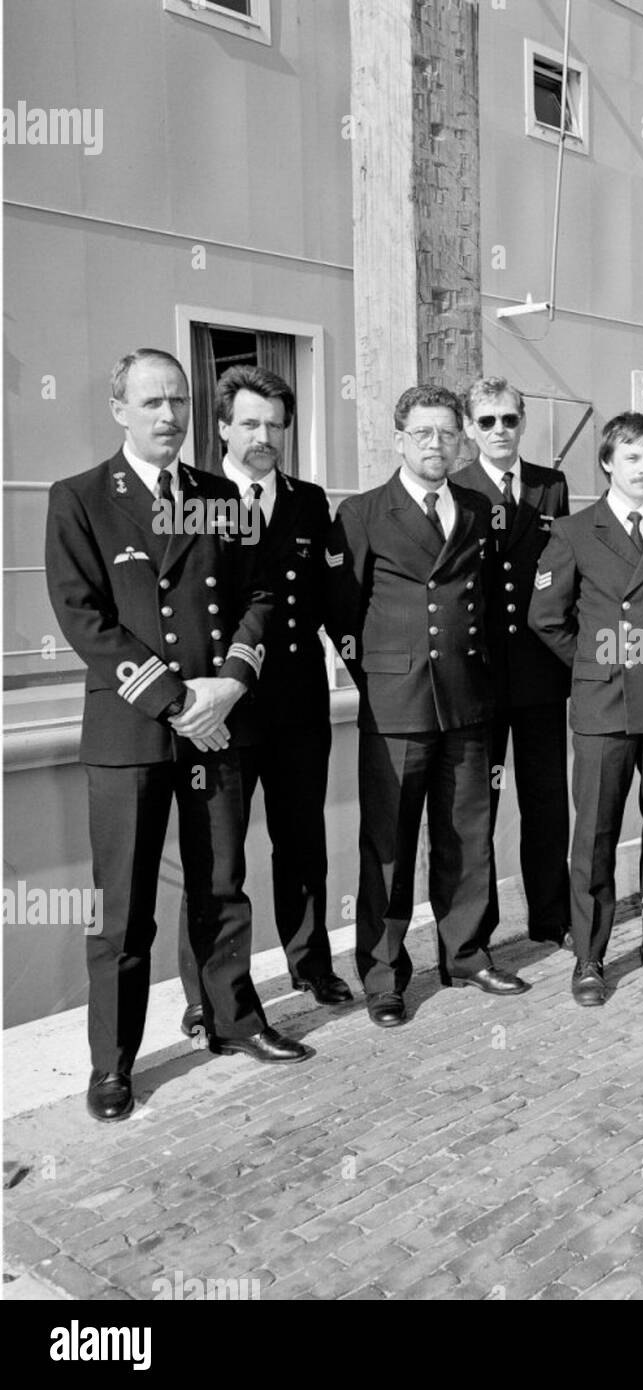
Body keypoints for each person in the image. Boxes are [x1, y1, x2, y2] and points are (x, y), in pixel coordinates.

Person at [46, 348, 309, 1123]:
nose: (168, 416)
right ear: (119, 408)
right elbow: (81, 614)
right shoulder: (83, 498)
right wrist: (172, 698)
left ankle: (232, 1019)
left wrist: (229, 682)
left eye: (179, 403)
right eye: (152, 402)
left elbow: (261, 594)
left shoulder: (219, 496)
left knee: (221, 886)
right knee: (124, 909)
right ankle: (114, 1064)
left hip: (217, 725)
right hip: (133, 731)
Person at [325, 384, 528, 1028]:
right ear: (399, 440)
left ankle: (465, 952)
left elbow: (492, 606)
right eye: (423, 434)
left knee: (468, 833)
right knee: (387, 844)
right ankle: (383, 976)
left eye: (447, 434)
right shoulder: (361, 513)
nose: (436, 445)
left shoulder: (474, 507)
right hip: (395, 706)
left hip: (467, 698)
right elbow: (342, 611)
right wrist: (381, 675)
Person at [176, 366, 350, 1038]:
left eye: (276, 424)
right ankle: (206, 993)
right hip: (224, 706)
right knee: (216, 858)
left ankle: (310, 962)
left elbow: (333, 602)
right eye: (250, 423)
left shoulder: (309, 502)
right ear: (221, 426)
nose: (264, 436)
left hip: (299, 701)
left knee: (302, 841)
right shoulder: (197, 499)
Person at [529, 413, 643, 1006]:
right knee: (596, 837)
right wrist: (598, 663)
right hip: (605, 703)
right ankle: (589, 955)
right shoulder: (576, 530)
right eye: (633, 458)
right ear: (608, 463)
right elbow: (546, 617)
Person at [454, 378, 571, 947]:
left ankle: (552, 918)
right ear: (471, 428)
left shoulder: (551, 486)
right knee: (479, 808)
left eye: (508, 419)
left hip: (541, 670)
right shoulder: (457, 487)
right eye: (486, 422)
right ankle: (477, 934)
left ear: (523, 422)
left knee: (547, 801)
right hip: (480, 674)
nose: (499, 431)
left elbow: (561, 575)